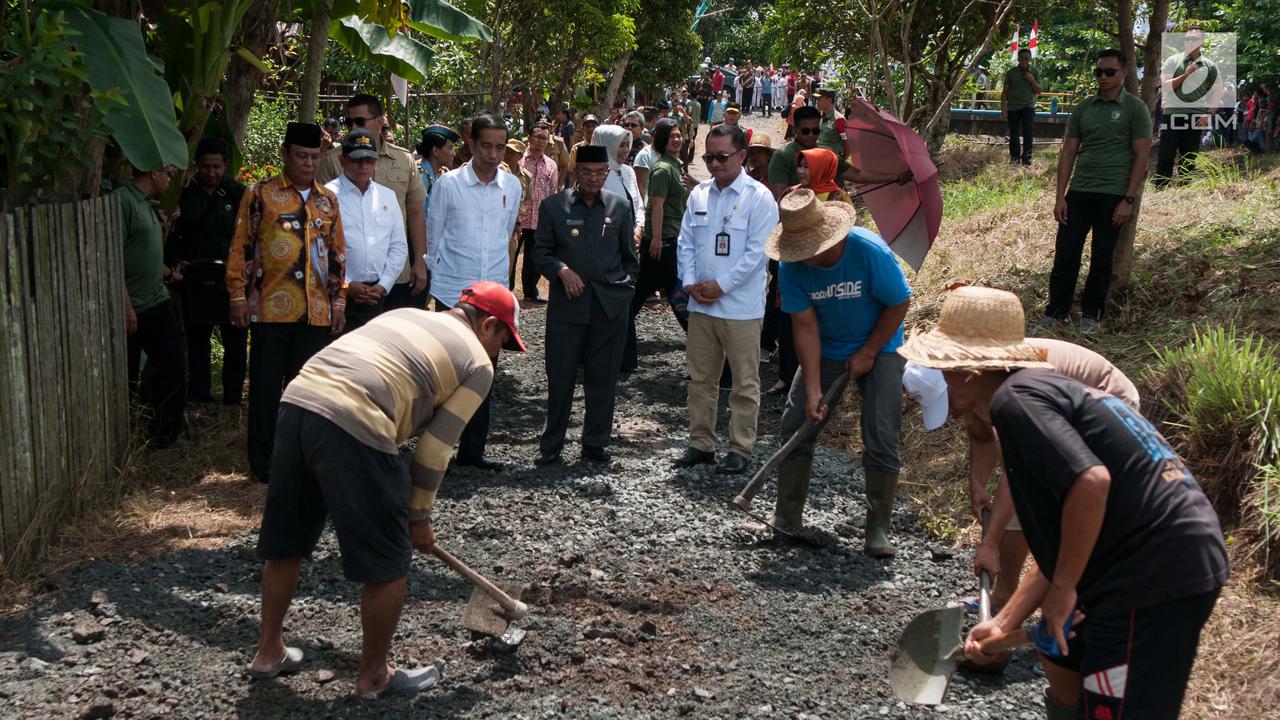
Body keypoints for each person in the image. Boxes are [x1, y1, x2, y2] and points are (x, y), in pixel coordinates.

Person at [900, 286, 1227, 720]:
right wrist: (1003, 622)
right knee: (1059, 652)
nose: (940, 380)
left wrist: (1065, 590)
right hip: (1142, 556)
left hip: (1154, 570)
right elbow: (1058, 550)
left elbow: (1092, 482)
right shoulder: (1030, 396)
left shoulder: (1018, 401)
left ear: (969, 370)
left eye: (942, 369)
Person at [248, 281, 526, 699]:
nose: (498, 355)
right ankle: (375, 676)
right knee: (388, 561)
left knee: (285, 544)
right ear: (489, 325)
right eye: (503, 342)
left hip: (299, 401)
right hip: (355, 415)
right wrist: (418, 517)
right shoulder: (477, 364)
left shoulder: (404, 314)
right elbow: (434, 451)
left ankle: (268, 652)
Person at [906, 336, 1141, 631]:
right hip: (1056, 412)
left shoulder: (1008, 390)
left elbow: (1017, 475)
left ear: (954, 380)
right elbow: (981, 435)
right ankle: (1005, 595)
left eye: (947, 402)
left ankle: (1074, 613)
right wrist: (977, 482)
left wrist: (989, 542)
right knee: (1027, 501)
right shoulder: (975, 386)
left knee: (1071, 508)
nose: (951, 412)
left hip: (1105, 400)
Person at [764, 190, 910, 556]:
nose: (805, 257)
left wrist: (870, 351)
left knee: (880, 430)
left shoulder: (868, 251)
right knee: (797, 422)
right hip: (828, 346)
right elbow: (805, 327)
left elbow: (898, 303)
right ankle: (786, 518)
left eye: (810, 249)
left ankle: (878, 529)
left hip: (882, 343)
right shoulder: (792, 266)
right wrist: (813, 388)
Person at [227, 122, 346, 483]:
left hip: (316, 312)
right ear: (285, 154)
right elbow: (241, 247)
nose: (309, 163)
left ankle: (299, 461)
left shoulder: (328, 200)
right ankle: (262, 463)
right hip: (269, 309)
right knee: (265, 389)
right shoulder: (259, 194)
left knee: (306, 391)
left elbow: (338, 255)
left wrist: (339, 302)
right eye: (301, 156)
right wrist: (237, 296)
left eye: (315, 156)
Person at [673, 124, 779, 475]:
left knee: (744, 383)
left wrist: (721, 285)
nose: (714, 163)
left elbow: (757, 254)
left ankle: (740, 447)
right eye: (708, 156)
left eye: (722, 156)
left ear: (742, 156)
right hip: (701, 305)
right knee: (700, 379)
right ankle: (700, 443)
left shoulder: (759, 197)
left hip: (740, 309)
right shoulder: (700, 194)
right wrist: (689, 283)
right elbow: (685, 242)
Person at [425, 113, 523, 471]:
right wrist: (435, 281)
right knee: (445, 373)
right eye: (486, 145)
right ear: (471, 143)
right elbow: (434, 236)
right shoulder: (449, 185)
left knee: (484, 373)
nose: (493, 154)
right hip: (454, 293)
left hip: (493, 295)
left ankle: (472, 452)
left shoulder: (512, 188)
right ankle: (434, 452)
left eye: (500, 146)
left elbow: (506, 236)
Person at [533, 145, 639, 466]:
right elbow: (540, 253)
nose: (593, 179)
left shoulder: (619, 207)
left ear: (607, 174)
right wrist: (561, 271)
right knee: (560, 378)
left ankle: (595, 444)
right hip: (568, 308)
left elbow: (630, 259)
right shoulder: (554, 207)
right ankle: (551, 446)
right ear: (575, 173)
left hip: (609, 308)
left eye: (599, 173)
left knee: (603, 379)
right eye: (586, 173)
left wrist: (624, 293)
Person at [1044, 49, 1152, 334]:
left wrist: (1128, 199)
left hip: (1113, 195)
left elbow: (1142, 156)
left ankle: (1091, 314)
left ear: (1124, 74)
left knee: (1102, 257)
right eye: (1098, 72)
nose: (1102, 78)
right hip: (1079, 192)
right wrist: (1060, 196)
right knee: (1066, 254)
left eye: (1109, 72)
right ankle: (1056, 312)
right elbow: (1068, 152)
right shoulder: (1084, 108)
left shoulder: (1135, 108)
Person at [317, 95, 427, 312]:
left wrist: (420, 262)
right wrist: (345, 282)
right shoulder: (333, 160)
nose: (352, 127)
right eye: (349, 122)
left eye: (359, 121)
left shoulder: (404, 160)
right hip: (343, 283)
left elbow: (415, 213)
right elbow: (320, 232)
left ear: (379, 121)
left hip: (395, 275)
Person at [166, 137, 246, 406]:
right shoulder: (183, 193)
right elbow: (172, 236)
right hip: (195, 279)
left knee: (234, 340)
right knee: (198, 339)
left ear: (225, 166)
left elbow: (251, 234)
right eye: (205, 167)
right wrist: (177, 262)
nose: (211, 173)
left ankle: (233, 396)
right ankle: (201, 396)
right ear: (196, 166)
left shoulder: (237, 193)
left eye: (217, 167)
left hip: (230, 279)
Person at [119, 163, 187, 447]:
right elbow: (114, 257)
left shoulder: (146, 205)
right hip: (135, 305)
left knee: (173, 365)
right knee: (128, 376)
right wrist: (125, 305)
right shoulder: (124, 201)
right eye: (168, 174)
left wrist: (170, 273)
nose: (170, 180)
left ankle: (165, 434)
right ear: (153, 172)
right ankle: (132, 436)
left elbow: (144, 255)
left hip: (156, 299)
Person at [622, 118, 695, 374]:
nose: (677, 139)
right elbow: (657, 205)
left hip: (671, 238)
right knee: (676, 293)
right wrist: (655, 239)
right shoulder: (663, 168)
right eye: (672, 136)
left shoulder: (676, 165)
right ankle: (702, 344)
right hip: (662, 242)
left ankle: (617, 342)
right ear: (662, 139)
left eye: (679, 136)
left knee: (646, 293)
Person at [324, 130, 408, 333]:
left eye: (369, 160)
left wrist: (384, 284)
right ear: (342, 159)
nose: (364, 166)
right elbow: (319, 250)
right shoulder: (326, 196)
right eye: (357, 160)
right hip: (336, 296)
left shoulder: (387, 196)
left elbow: (398, 247)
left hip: (376, 297)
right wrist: (346, 285)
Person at [1156, 27, 1217, 187]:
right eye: (1187, 38)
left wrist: (1208, 114)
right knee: (1166, 154)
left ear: (1202, 42)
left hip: (1196, 115)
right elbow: (1166, 86)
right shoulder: (1172, 61)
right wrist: (1186, 74)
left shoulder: (1209, 65)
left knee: (1189, 155)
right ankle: (1161, 187)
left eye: (1194, 39)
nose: (1189, 41)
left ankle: (1184, 188)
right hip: (1172, 113)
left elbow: (1218, 91)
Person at [513, 122, 559, 302]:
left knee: (534, 258)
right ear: (529, 138)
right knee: (512, 255)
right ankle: (507, 291)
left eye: (544, 138)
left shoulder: (551, 165)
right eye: (537, 137)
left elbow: (552, 191)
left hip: (539, 219)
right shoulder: (519, 160)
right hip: (518, 218)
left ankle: (531, 292)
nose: (540, 141)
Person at [594, 124, 646, 244]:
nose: (626, 150)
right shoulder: (596, 177)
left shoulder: (628, 171)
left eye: (628, 144)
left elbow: (638, 205)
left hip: (632, 240)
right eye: (621, 145)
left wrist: (639, 229)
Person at [1001, 49, 1042, 166]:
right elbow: (1004, 92)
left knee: (1028, 131)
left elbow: (1039, 91)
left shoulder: (1034, 72)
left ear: (1030, 60)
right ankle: (1015, 158)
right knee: (1014, 133)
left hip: (1028, 106)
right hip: (1013, 107)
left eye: (1026, 58)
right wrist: (1003, 108)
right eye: (1022, 58)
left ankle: (1027, 159)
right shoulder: (1011, 73)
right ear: (1018, 59)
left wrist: (1031, 80)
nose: (1024, 60)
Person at [503, 138, 535, 289]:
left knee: (509, 261)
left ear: (520, 156)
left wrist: (517, 221)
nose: (507, 155)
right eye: (506, 151)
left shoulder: (526, 176)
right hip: (497, 222)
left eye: (512, 153)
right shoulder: (496, 171)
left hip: (513, 224)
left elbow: (527, 198)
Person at [416, 124, 459, 218]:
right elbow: (418, 215)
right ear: (435, 151)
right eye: (450, 148)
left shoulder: (433, 174)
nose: (453, 154)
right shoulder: (423, 176)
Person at [685, 93, 702, 164]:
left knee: (687, 141)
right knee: (693, 140)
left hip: (690, 124)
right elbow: (699, 114)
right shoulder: (699, 104)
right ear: (697, 97)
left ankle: (685, 157)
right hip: (696, 125)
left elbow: (688, 113)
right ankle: (691, 158)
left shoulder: (689, 104)